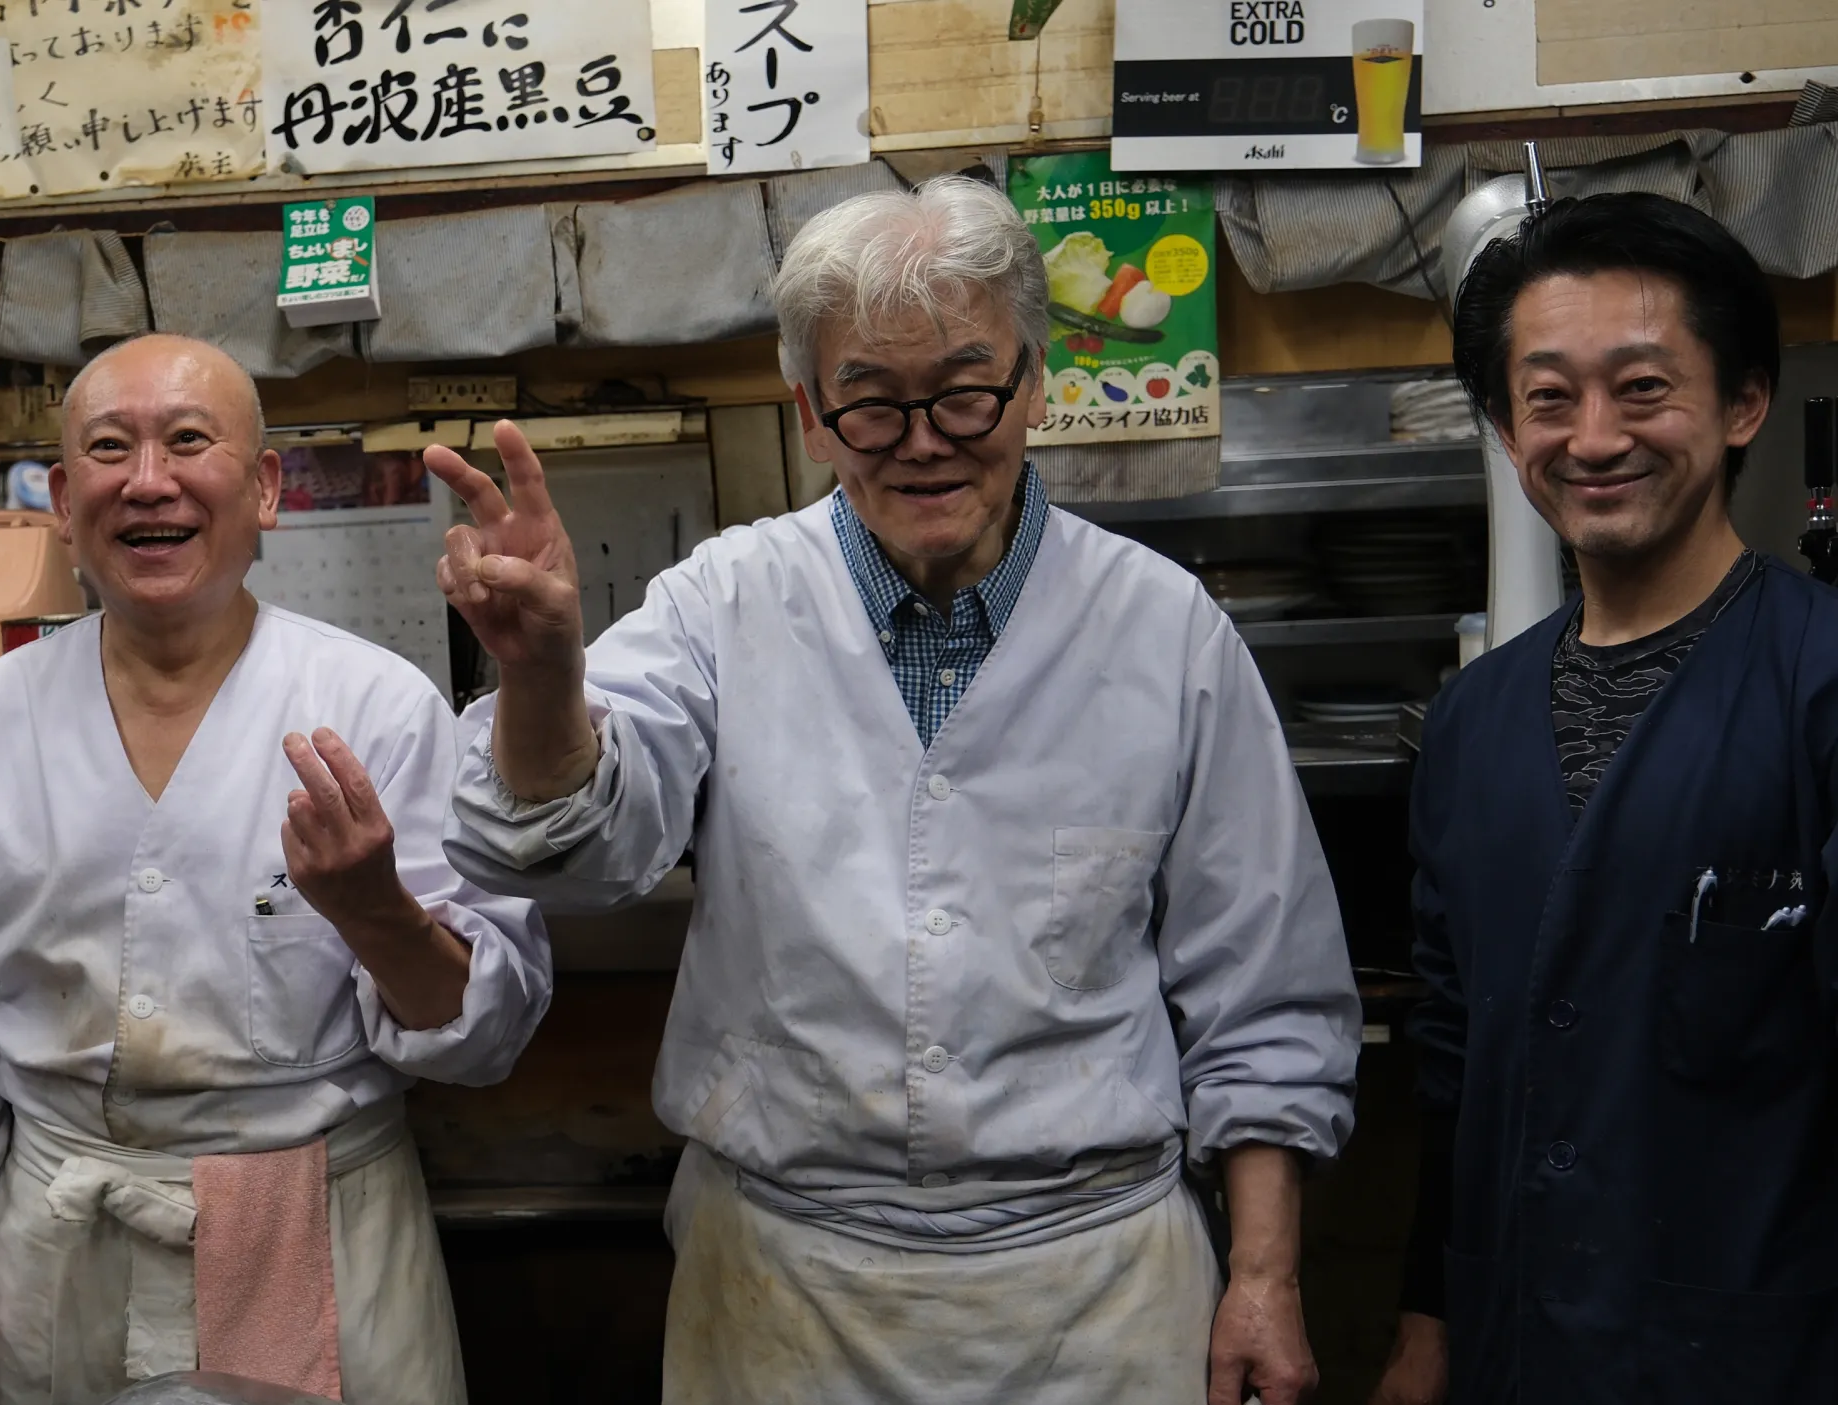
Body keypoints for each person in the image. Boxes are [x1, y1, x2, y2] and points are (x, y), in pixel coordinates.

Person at [430, 176, 1361, 1405]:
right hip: (787, 1286)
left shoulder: (1165, 628)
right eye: (870, 401)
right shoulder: (725, 602)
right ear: (811, 414)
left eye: (968, 389)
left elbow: (1266, 993)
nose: (925, 438)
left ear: (1036, 383)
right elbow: (570, 853)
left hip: (1097, 1287)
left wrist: (1265, 1277)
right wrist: (545, 678)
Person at [0, 333, 551, 1406]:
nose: (147, 481)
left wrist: (375, 914)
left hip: (311, 1220)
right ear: (63, 491)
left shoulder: (374, 703)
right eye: (107, 449)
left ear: (264, 488)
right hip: (59, 1237)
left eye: (187, 440)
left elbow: (484, 1032)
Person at [1370, 193, 1838, 1406]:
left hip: (1763, 1351)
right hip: (1518, 1341)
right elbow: (1455, 1061)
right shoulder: (1470, 726)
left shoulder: (1817, 681)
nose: (1592, 437)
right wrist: (1427, 1318)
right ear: (1501, 425)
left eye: (1641, 388)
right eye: (1547, 398)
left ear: (1742, 404)